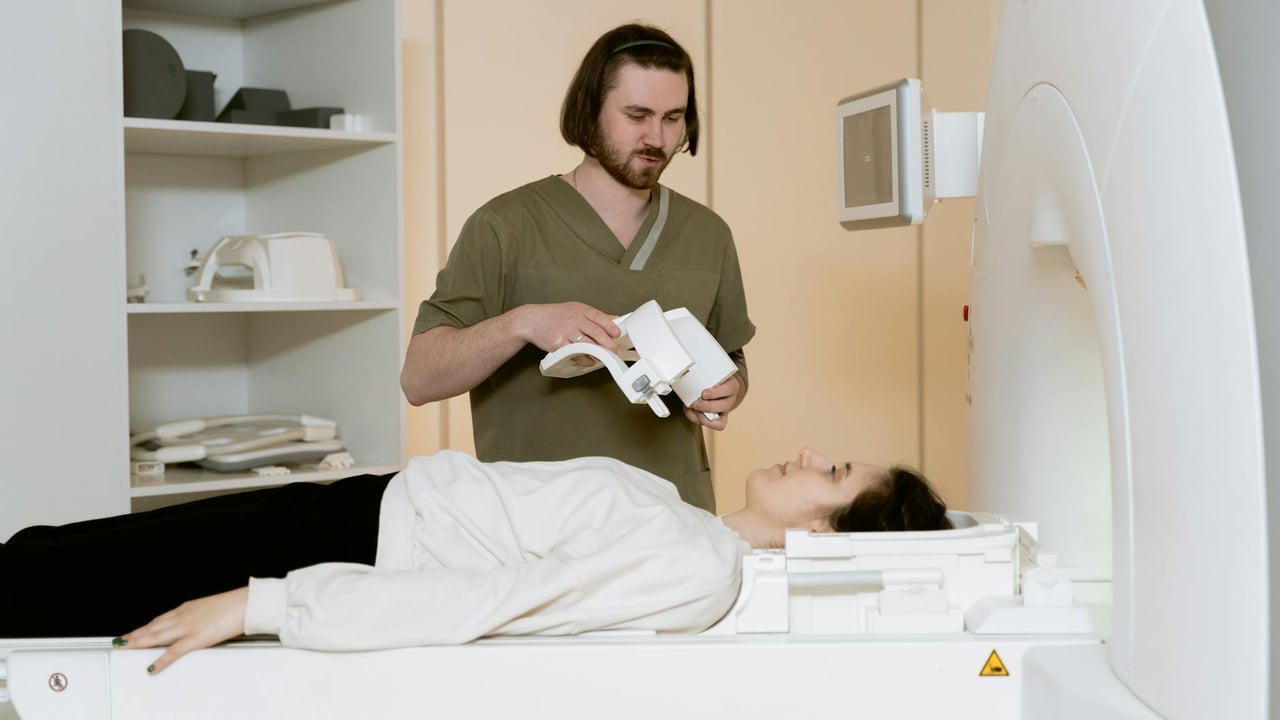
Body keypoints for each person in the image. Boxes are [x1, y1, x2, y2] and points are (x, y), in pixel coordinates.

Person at [0, 447, 951, 674]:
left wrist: (262, 605)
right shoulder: (687, 524)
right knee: (39, 563)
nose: (808, 455)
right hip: (357, 509)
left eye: (831, 472)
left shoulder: (696, 565)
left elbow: (487, 601)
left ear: (828, 536)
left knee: (36, 583)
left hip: (336, 547)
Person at [400, 23, 756, 512]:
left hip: (674, 522)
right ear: (589, 111)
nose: (657, 136)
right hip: (533, 525)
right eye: (637, 115)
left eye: (673, 118)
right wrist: (523, 322)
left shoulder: (708, 234)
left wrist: (728, 390)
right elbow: (419, 379)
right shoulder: (504, 226)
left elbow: (731, 356)